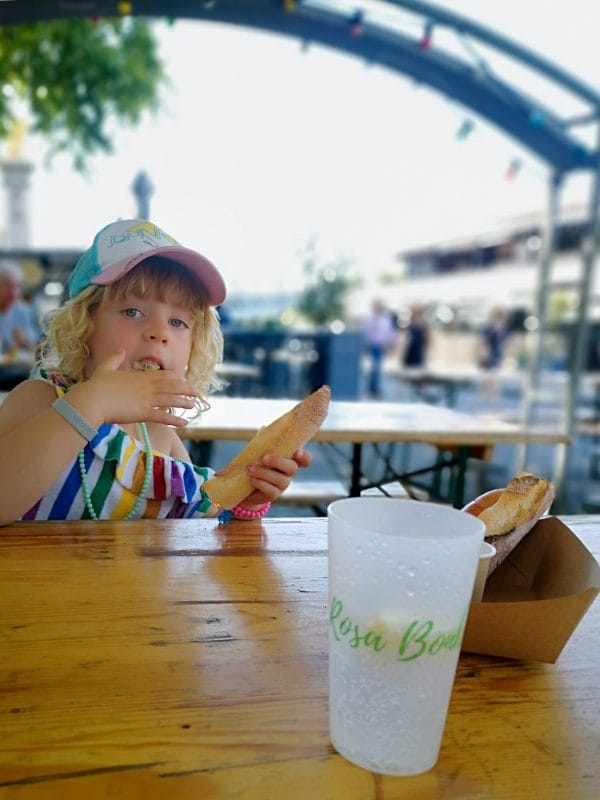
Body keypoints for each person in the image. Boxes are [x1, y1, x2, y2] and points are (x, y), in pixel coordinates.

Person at [0, 219, 311, 526]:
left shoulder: (161, 440)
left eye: (177, 322)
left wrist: (247, 497)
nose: (159, 332)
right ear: (83, 325)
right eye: (132, 311)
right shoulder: (40, 401)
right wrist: (92, 402)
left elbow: (201, 521)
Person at [0, 261, 37, 356]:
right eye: (7, 285)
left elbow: (33, 349)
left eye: (16, 286)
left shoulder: (22, 312)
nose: (13, 291)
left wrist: (24, 342)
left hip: (16, 364)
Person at [363, 299, 397, 398]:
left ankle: (374, 387)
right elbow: (367, 331)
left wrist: (392, 342)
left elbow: (389, 332)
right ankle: (373, 388)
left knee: (377, 367)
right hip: (373, 345)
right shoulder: (370, 318)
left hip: (381, 345)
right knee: (375, 367)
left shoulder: (385, 319)